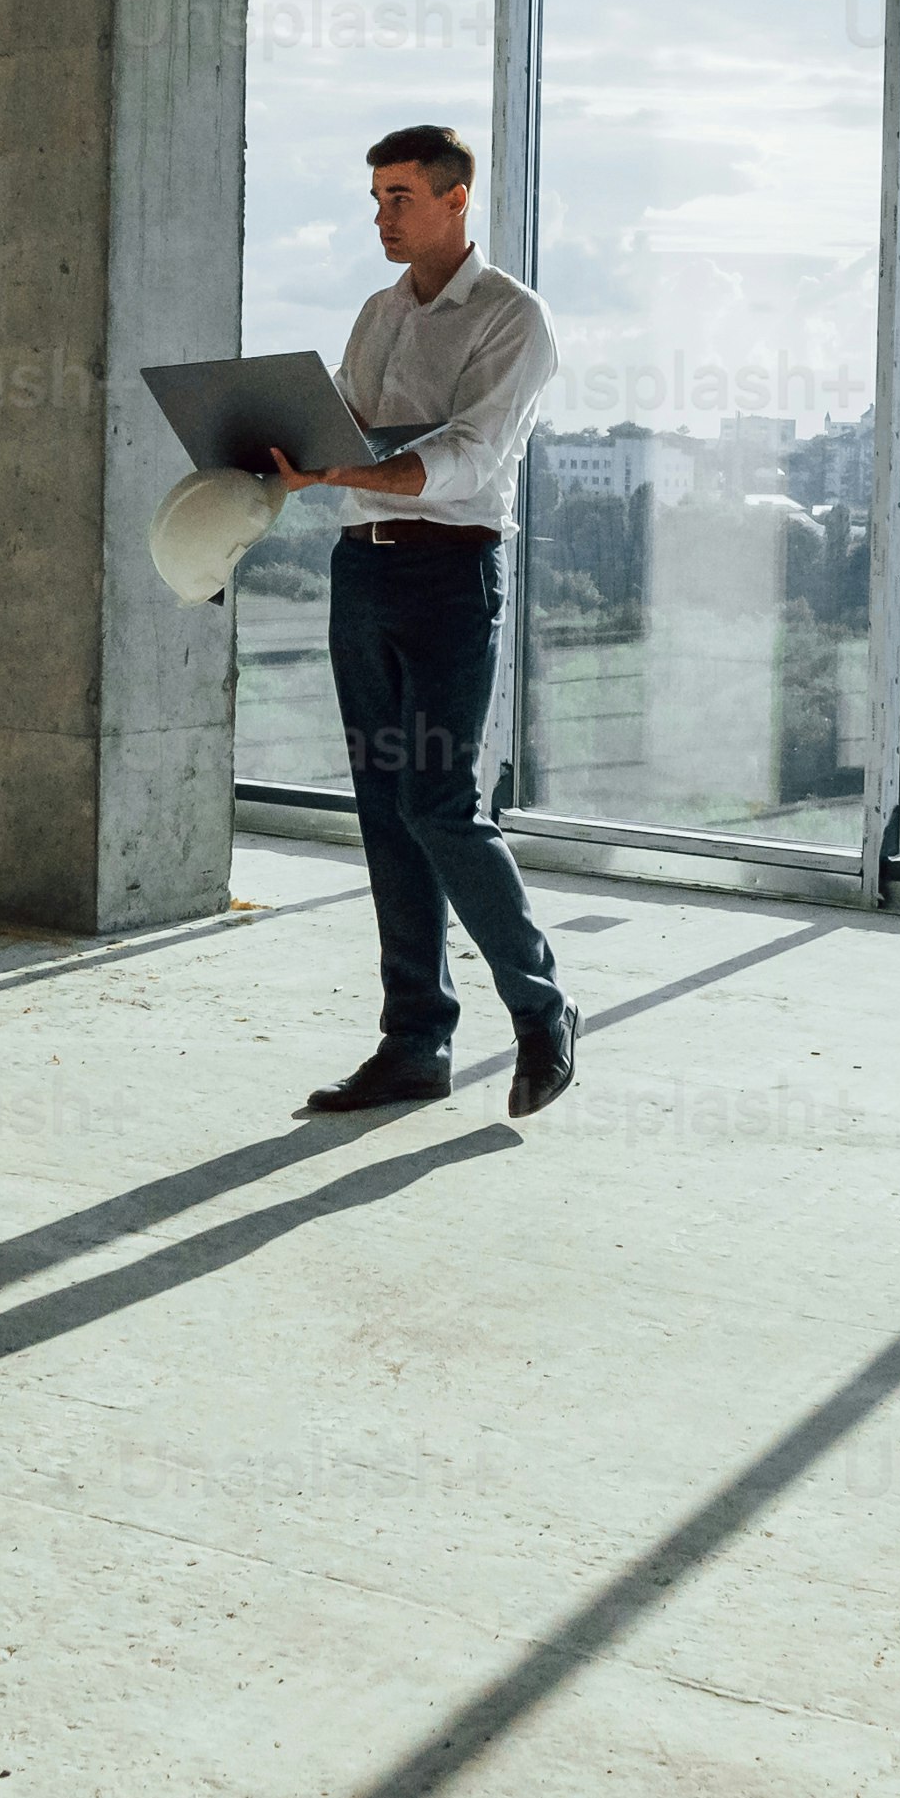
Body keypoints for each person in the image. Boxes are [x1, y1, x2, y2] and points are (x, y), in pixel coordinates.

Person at [247, 124, 577, 1118]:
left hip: (450, 578)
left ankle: (541, 1007)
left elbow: (471, 458)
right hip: (365, 572)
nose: (381, 215)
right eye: (377, 197)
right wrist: (265, 445)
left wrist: (336, 468)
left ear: (454, 199)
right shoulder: (379, 311)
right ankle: (415, 1044)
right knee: (386, 814)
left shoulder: (514, 319)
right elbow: (342, 423)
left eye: (399, 196)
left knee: (439, 804)